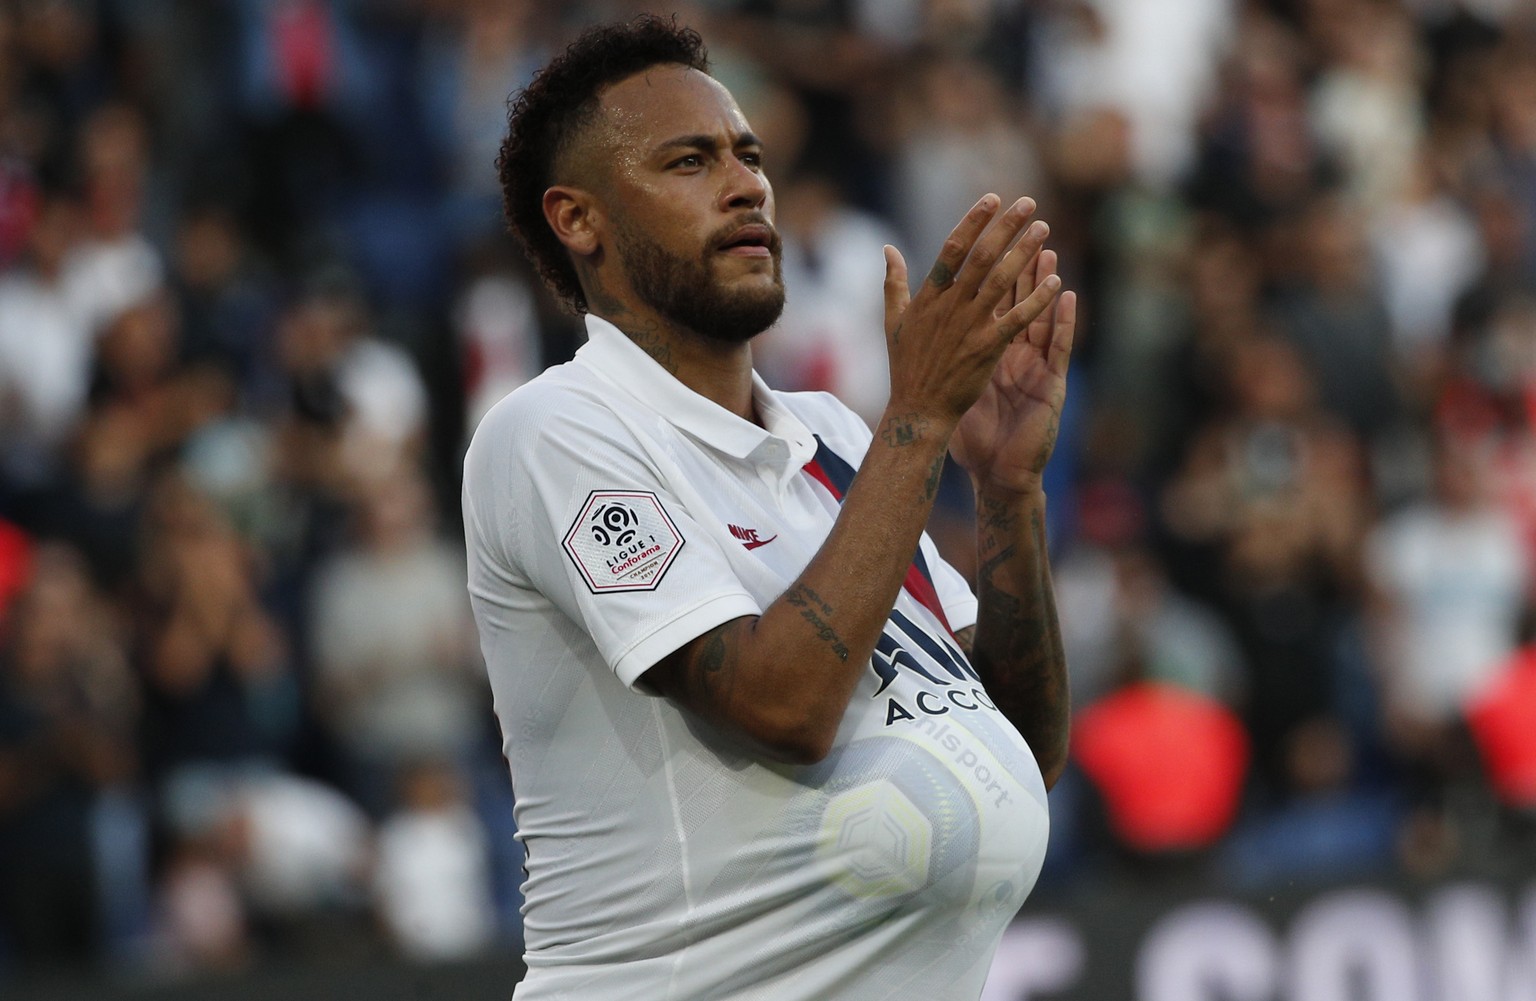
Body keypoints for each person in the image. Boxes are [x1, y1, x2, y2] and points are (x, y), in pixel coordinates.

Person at [461, 16, 1076, 1000]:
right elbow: (782, 704)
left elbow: (1025, 744)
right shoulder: (553, 430)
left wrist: (1006, 493)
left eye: (749, 154)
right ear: (579, 220)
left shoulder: (831, 436)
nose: (747, 183)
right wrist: (916, 416)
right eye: (689, 161)